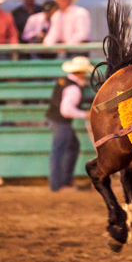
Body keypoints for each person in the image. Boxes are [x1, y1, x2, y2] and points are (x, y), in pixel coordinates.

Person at [45, 56, 92, 192]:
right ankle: (59, 184)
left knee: (70, 147)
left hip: (56, 120)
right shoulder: (74, 88)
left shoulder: (64, 81)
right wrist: (85, 114)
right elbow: (66, 110)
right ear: (82, 72)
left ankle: (63, 181)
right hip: (61, 122)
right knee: (60, 151)